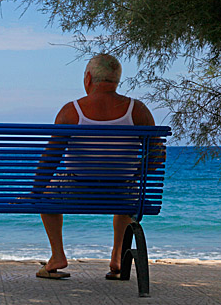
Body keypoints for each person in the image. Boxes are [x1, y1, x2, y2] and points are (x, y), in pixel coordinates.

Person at [35, 53, 156, 280]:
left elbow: (50, 160)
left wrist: (35, 192)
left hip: (76, 192)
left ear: (88, 79)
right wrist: (134, 175)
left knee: (46, 195)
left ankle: (57, 256)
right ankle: (118, 256)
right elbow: (157, 157)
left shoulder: (71, 111)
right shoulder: (138, 110)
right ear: (117, 80)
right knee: (128, 191)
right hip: (122, 195)